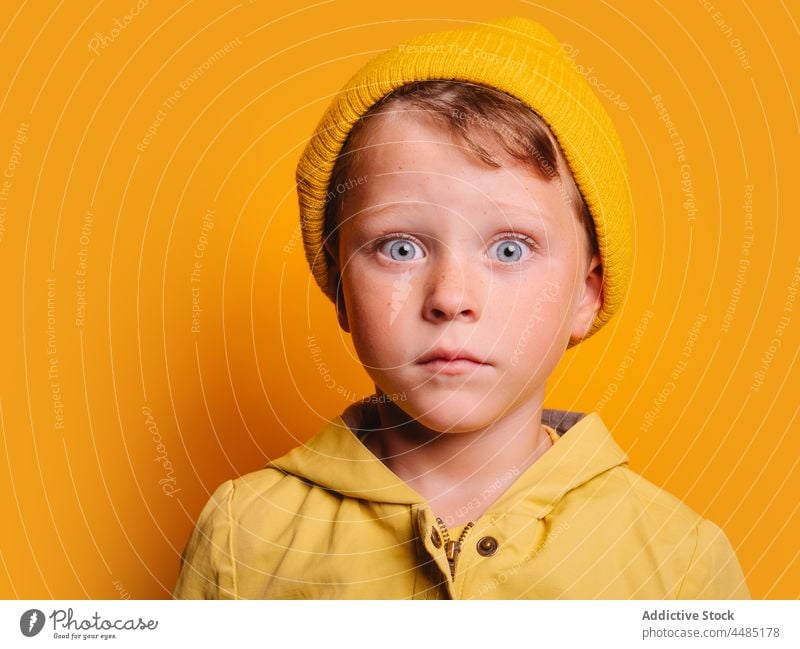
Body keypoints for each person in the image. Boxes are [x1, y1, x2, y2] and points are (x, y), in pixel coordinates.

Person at [173, 16, 749, 599]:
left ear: (587, 293)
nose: (451, 297)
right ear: (342, 286)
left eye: (509, 249)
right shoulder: (242, 536)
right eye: (399, 248)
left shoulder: (681, 564)